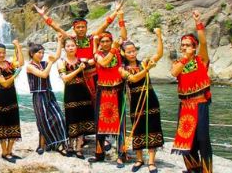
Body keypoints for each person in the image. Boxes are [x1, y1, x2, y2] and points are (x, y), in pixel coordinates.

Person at [34, 4, 121, 100]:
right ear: (74, 29)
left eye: (83, 27)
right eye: (78, 27)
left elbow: (105, 24)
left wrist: (116, 12)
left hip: (95, 75)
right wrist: (43, 15)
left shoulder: (92, 38)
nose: (81, 29)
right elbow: (56, 28)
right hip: (78, 76)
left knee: (98, 102)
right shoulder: (71, 40)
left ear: (86, 28)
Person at [119, 9, 164, 173]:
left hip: (150, 98)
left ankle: (152, 161)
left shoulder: (143, 62)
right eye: (129, 51)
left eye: (134, 51)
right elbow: (133, 79)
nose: (132, 53)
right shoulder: (121, 68)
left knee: (152, 127)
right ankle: (139, 159)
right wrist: (147, 70)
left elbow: (159, 54)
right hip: (136, 100)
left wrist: (159, 36)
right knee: (137, 128)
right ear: (124, 53)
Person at [171, 11, 212, 173]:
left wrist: (198, 23)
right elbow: (174, 73)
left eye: (188, 45)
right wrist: (185, 58)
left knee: (202, 138)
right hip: (185, 106)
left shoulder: (201, 60)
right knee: (187, 139)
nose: (185, 47)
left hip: (200, 104)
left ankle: (207, 170)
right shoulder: (178, 62)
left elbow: (203, 42)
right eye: (183, 45)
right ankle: (193, 169)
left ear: (194, 48)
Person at [26, 37, 68, 156]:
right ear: (32, 53)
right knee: (43, 121)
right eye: (39, 53)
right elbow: (44, 75)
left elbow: (57, 55)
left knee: (58, 117)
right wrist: (50, 62)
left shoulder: (43, 63)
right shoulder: (30, 66)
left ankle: (59, 143)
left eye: (42, 53)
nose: (41, 55)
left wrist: (60, 41)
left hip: (49, 93)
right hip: (38, 95)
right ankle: (42, 144)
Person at [91, 30, 126, 165]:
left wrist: (121, 19)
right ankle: (99, 154)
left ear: (111, 41)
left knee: (120, 123)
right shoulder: (97, 55)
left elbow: (124, 37)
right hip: (103, 92)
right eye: (103, 41)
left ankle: (121, 155)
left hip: (117, 91)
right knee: (100, 123)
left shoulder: (118, 52)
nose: (105, 43)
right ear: (100, 44)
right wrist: (113, 48)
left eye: (108, 41)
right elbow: (104, 63)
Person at [58, 36, 96, 159]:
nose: (71, 48)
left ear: (76, 47)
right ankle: (69, 146)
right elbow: (65, 79)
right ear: (64, 48)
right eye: (68, 46)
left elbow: (95, 60)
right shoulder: (62, 62)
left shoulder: (82, 60)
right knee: (71, 119)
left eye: (73, 46)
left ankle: (79, 148)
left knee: (82, 119)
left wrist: (95, 43)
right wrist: (78, 70)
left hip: (83, 93)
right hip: (70, 93)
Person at [0, 40, 23, 162]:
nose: (1, 55)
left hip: (12, 95)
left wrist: (18, 46)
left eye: (3, 53)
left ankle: (10, 151)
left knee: (13, 122)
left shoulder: (8, 64)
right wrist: (15, 75)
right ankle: (4, 152)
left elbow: (21, 63)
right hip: (2, 97)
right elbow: (4, 83)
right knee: (3, 124)